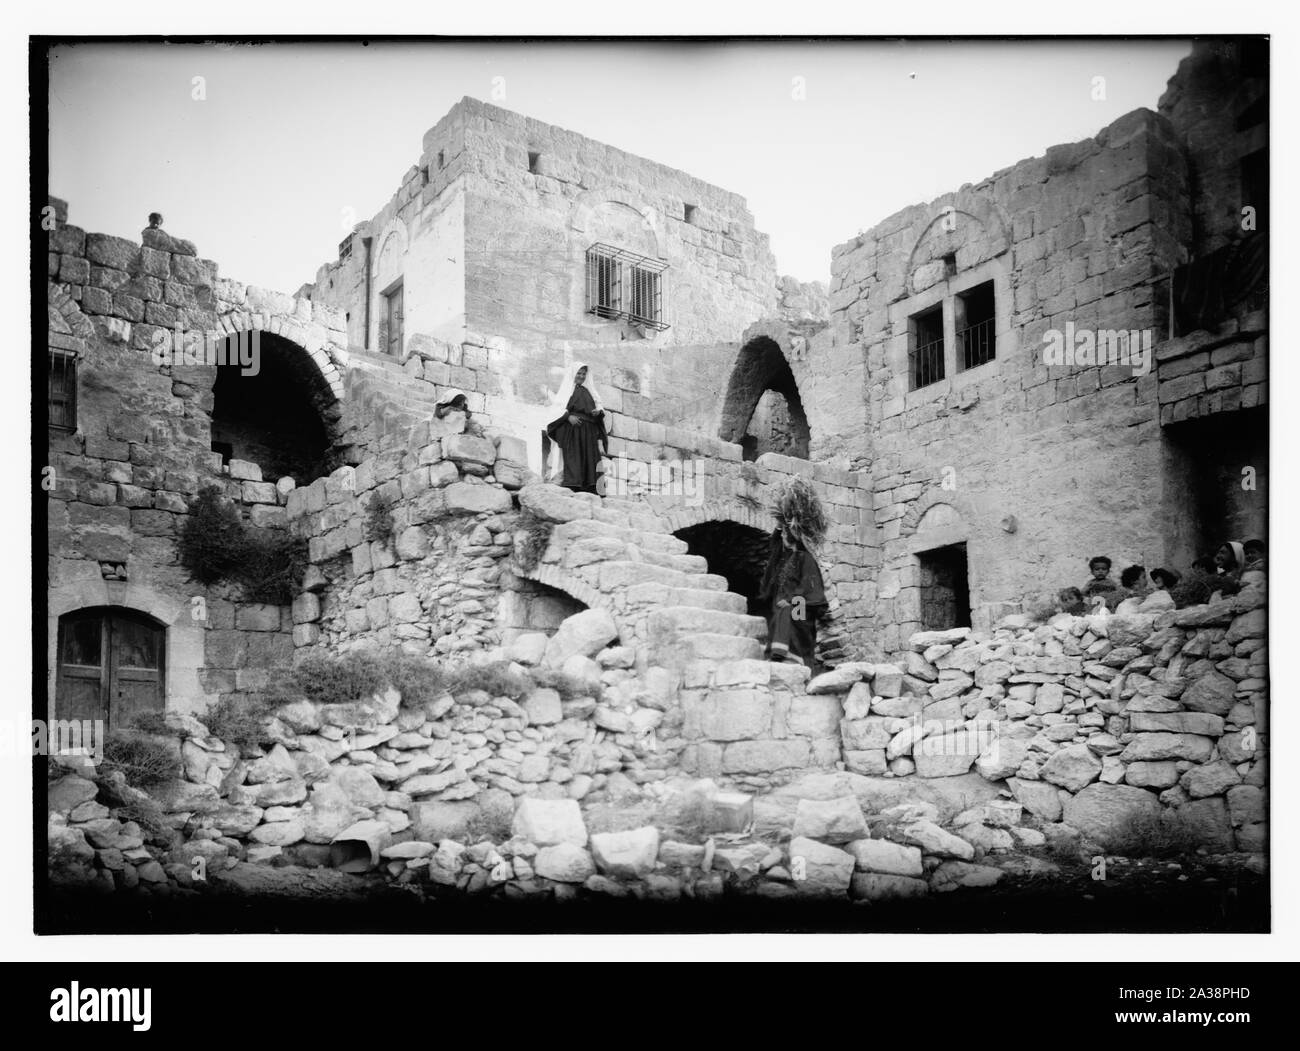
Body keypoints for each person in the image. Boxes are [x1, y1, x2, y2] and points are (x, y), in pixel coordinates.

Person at [759, 477, 829, 667]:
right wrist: (781, 523)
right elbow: (774, 546)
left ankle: (791, 654)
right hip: (781, 606)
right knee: (779, 614)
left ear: (792, 536)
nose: (781, 536)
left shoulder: (805, 559)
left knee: (788, 612)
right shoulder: (784, 558)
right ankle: (778, 651)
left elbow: (810, 590)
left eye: (784, 533)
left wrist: (790, 601)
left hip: (801, 609)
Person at [544, 363, 608, 494]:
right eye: (579, 373)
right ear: (573, 374)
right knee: (575, 456)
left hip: (589, 431)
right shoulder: (567, 390)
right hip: (573, 430)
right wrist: (568, 417)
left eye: (584, 374)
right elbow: (557, 410)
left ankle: (592, 488)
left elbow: (598, 409)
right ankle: (574, 485)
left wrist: (597, 413)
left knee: (590, 458)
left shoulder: (588, 392)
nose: (581, 376)